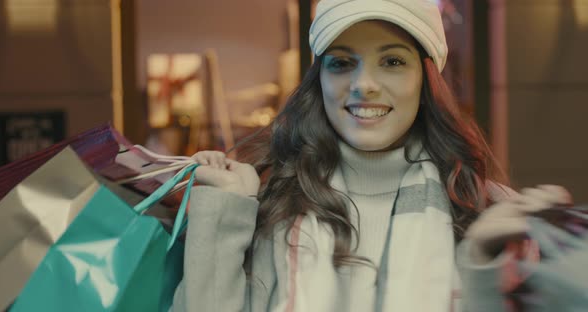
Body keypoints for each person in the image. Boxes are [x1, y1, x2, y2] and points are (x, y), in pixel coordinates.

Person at [170, 0, 573, 311]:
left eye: (393, 61)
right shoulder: (270, 205)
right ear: (321, 80)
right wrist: (224, 209)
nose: (364, 84)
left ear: (425, 78)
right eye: (342, 63)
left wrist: (485, 269)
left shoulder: (482, 207)